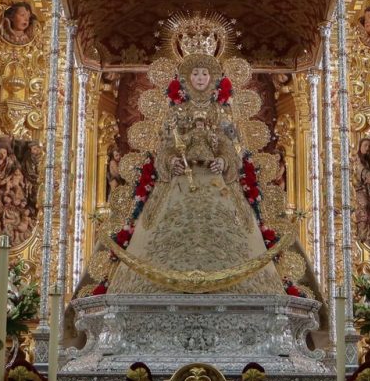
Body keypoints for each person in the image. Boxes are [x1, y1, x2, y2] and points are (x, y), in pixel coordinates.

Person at [106, 54, 284, 295]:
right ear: (187, 79)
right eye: (195, 73)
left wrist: (223, 160)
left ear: (212, 78)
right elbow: (165, 147)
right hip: (180, 182)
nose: (200, 78)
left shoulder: (222, 113)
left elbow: (230, 147)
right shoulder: (176, 112)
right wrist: (172, 161)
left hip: (216, 181)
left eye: (205, 73)